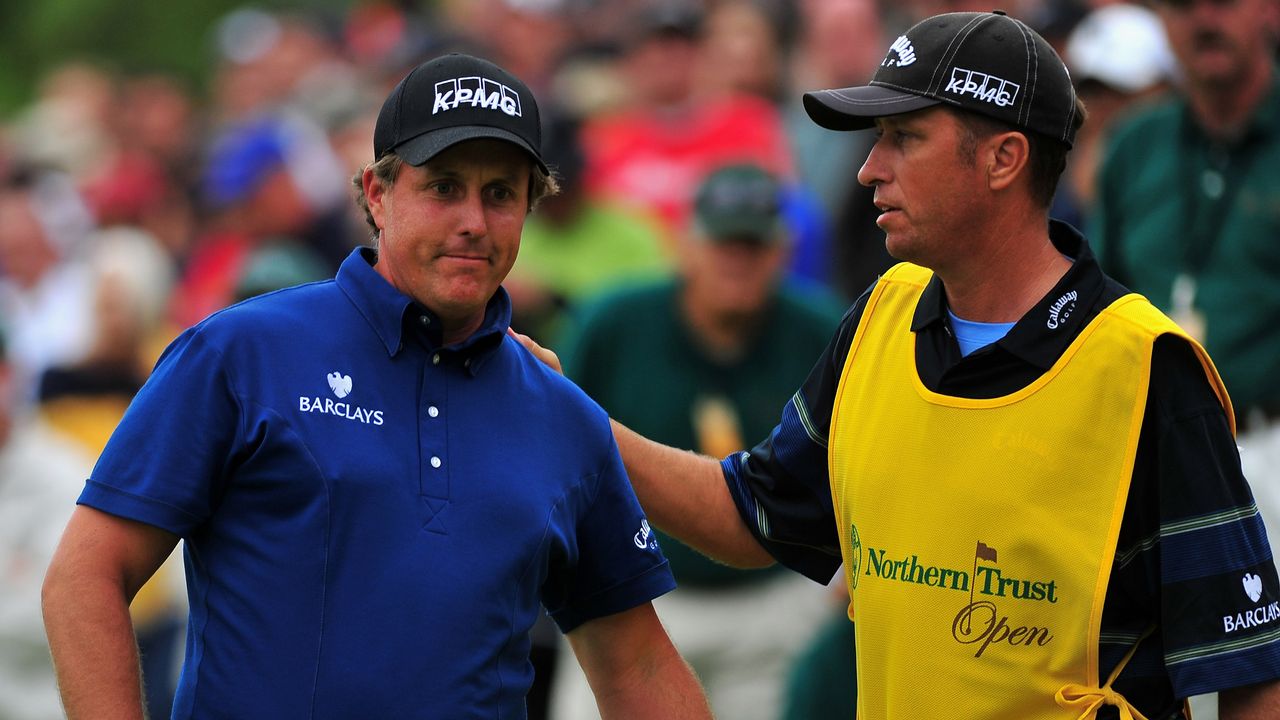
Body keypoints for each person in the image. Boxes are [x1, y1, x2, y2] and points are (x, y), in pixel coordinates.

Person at [515, 11, 1280, 718]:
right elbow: (757, 517)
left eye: (903, 137)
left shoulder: (1147, 367)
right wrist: (576, 422)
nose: (867, 168)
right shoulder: (886, 313)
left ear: (1005, 159)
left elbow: (1247, 668)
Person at [41, 53, 711, 720]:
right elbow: (85, 576)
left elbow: (639, 665)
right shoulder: (241, 353)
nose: (474, 220)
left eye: (501, 193)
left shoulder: (564, 415)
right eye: (444, 187)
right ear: (376, 194)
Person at [548, 162, 843, 720]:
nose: (737, 260)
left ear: (781, 252)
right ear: (685, 244)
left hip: (774, 604)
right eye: (722, 243)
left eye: (753, 246)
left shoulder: (820, 328)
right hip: (634, 594)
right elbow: (554, 440)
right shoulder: (614, 321)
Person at [1091, 0, 1280, 551]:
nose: (1204, 21)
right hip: (1150, 453)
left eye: (1222, 2)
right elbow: (1100, 300)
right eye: (1181, 6)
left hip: (1268, 436)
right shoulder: (1133, 145)